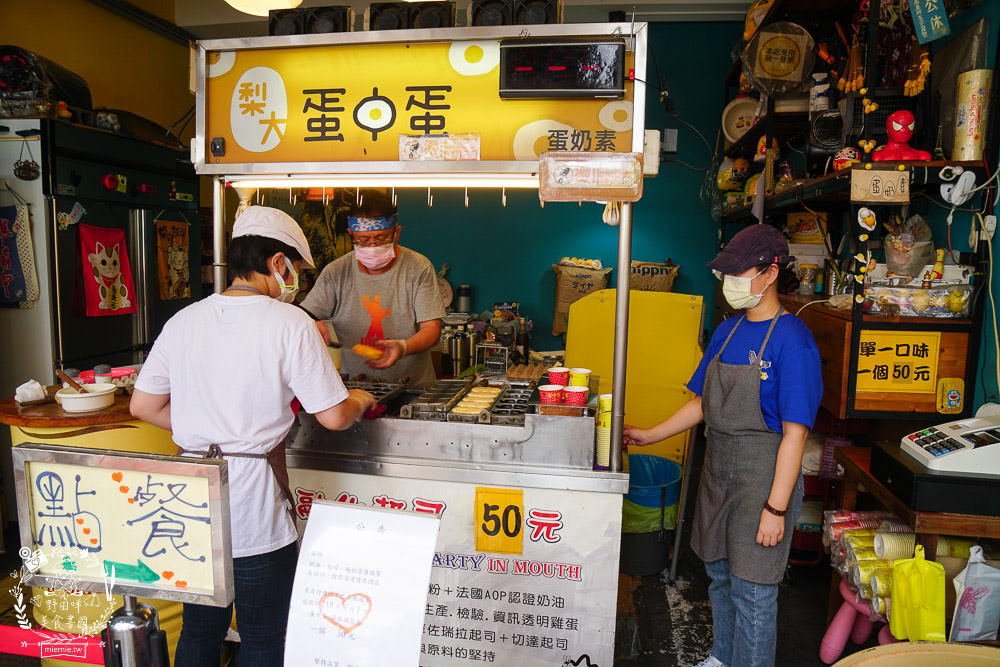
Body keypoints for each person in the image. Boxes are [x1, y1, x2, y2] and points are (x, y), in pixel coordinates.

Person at [130, 206, 377, 666]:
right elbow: (334, 417)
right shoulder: (291, 324)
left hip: (189, 502)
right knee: (264, 637)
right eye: (296, 270)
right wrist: (359, 399)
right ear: (277, 262)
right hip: (255, 507)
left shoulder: (184, 321)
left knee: (200, 632)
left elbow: (143, 406)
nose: (296, 282)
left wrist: (206, 432)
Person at [624, 224, 822, 667]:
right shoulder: (727, 332)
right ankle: (721, 658)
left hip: (763, 480)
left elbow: (796, 434)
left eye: (739, 272)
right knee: (717, 575)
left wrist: (775, 508)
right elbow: (701, 404)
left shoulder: (793, 340)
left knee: (753, 590)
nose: (730, 283)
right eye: (726, 274)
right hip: (718, 472)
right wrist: (649, 434)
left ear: (770, 273)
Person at [301, 190, 445, 387]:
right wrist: (309, 323)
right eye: (363, 240)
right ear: (351, 234)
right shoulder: (336, 272)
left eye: (381, 238)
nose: (372, 247)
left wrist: (403, 348)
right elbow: (302, 317)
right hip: (356, 388)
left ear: (397, 233)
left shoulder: (418, 267)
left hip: (414, 388)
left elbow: (431, 330)